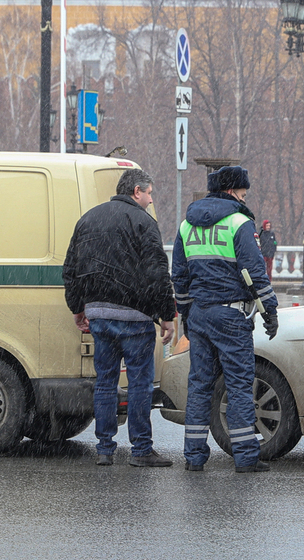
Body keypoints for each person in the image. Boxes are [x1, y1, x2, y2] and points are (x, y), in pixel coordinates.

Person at [63, 168, 176, 467]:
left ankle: (104, 448)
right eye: (149, 193)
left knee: (105, 381)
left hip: (99, 315)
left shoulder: (88, 219)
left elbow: (70, 270)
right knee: (139, 382)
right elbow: (156, 273)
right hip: (134, 317)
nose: (151, 200)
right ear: (136, 191)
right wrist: (167, 315)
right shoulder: (144, 223)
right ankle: (140, 450)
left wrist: (78, 308)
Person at [171, 165, 279, 473]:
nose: (245, 199)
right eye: (243, 194)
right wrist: (270, 308)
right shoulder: (239, 222)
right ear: (232, 191)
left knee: (200, 385)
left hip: (200, 315)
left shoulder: (185, 226)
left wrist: (186, 313)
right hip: (232, 315)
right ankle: (245, 457)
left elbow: (179, 275)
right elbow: (255, 271)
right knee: (239, 385)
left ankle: (193, 456)